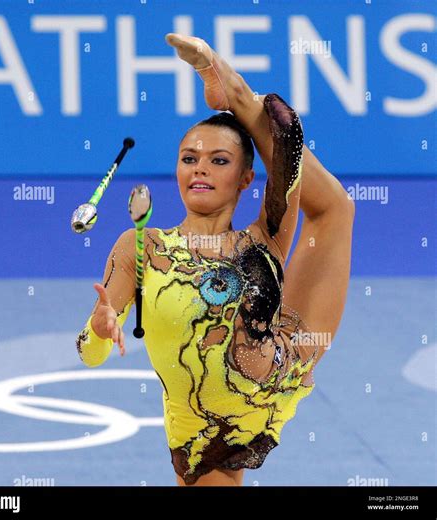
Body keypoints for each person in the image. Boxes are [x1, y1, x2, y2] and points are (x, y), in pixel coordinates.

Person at [75, 34, 355, 486]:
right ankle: (232, 94)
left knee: (335, 207)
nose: (200, 167)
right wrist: (99, 327)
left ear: (247, 178)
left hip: (283, 362)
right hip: (202, 427)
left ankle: (233, 92)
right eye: (190, 158)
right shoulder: (140, 246)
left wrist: (238, 96)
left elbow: (286, 144)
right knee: (332, 203)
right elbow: (89, 355)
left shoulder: (262, 239)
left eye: (219, 160)